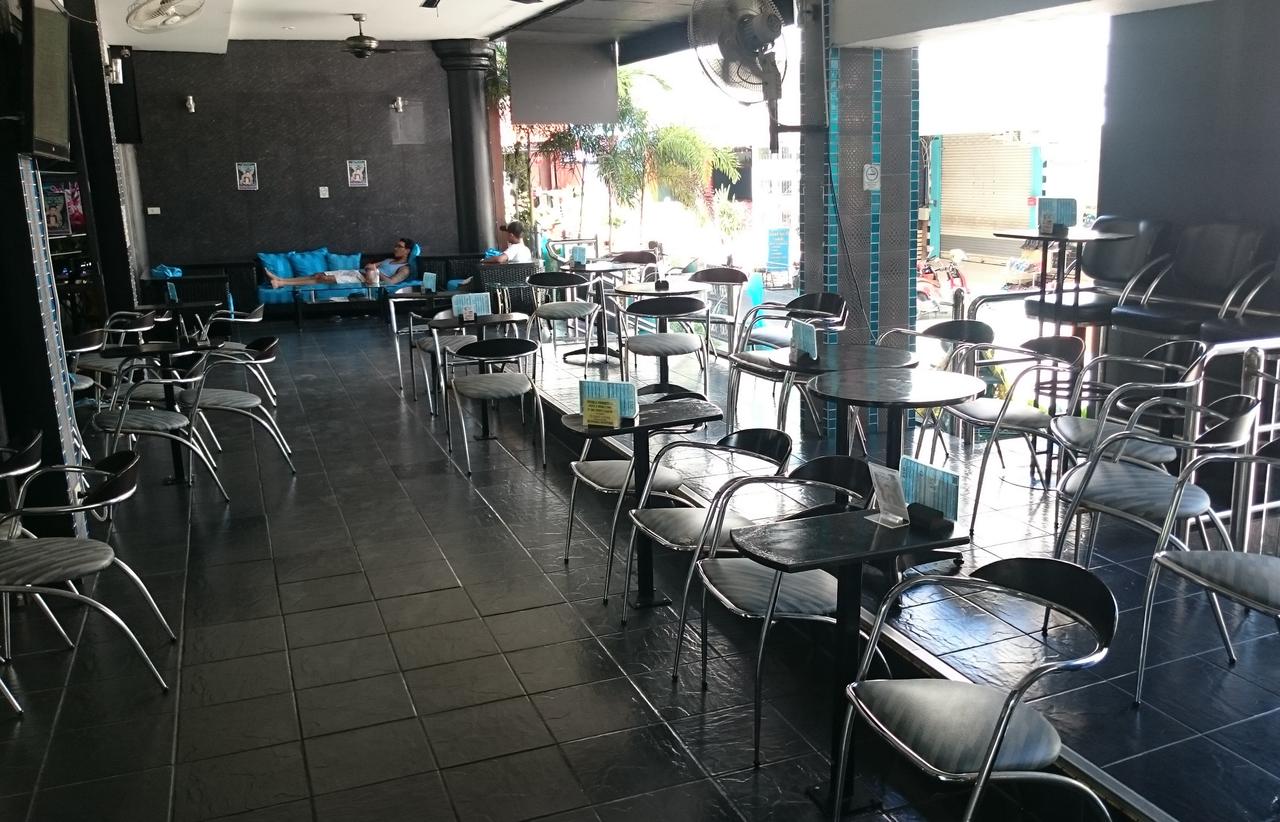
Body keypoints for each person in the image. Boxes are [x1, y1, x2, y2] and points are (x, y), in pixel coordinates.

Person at [265, 238, 415, 288]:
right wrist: (372, 267)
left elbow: (391, 283)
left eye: (399, 247)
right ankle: (280, 280)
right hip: (357, 273)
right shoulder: (389, 260)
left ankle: (281, 283)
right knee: (318, 274)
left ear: (407, 251)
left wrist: (376, 270)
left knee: (323, 279)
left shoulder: (405, 269)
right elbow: (372, 266)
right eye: (396, 246)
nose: (395, 248)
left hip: (364, 280)